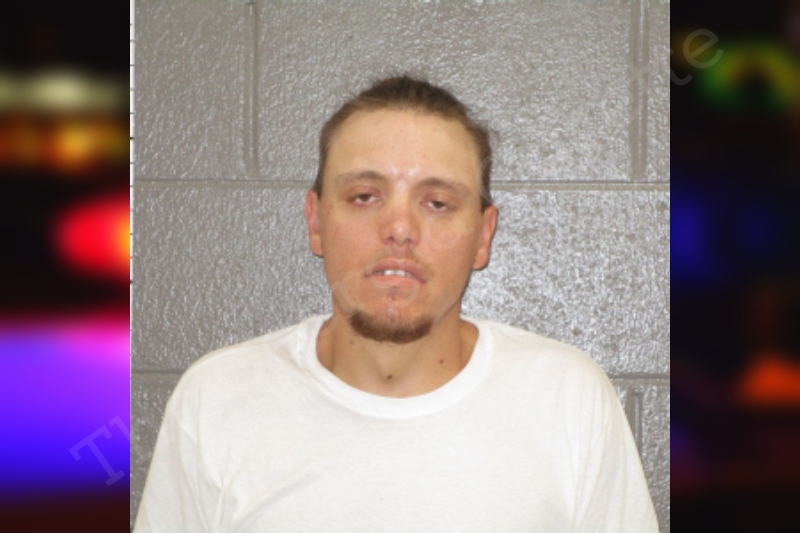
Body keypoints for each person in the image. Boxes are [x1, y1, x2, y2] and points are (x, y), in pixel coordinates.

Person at [135, 75, 659, 532]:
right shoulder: (217, 400)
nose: (400, 228)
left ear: (483, 235)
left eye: (438, 202)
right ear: (316, 221)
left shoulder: (568, 401)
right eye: (365, 196)